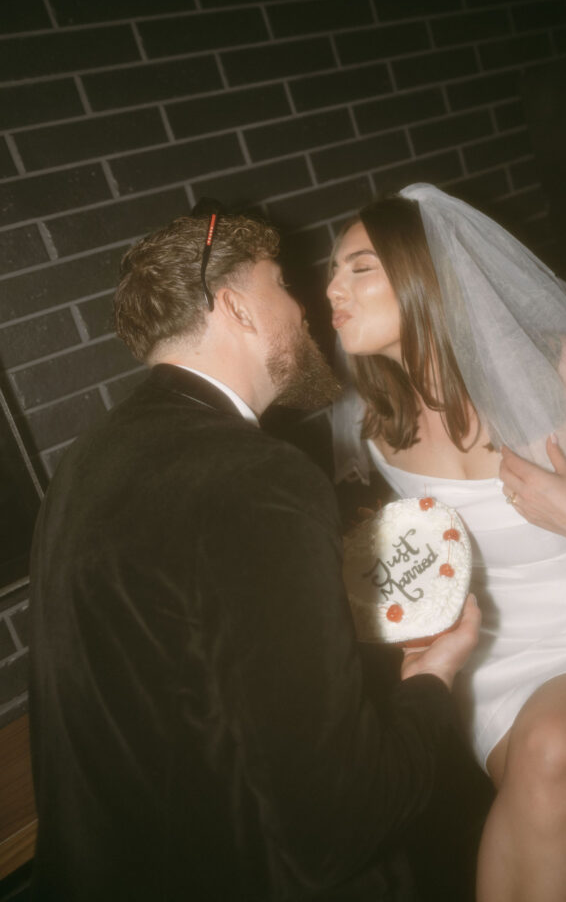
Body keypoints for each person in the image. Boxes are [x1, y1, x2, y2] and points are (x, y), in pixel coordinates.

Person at [28, 204, 481, 902]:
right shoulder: (252, 475)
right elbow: (341, 817)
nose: (304, 309)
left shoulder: (92, 459)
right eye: (283, 284)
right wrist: (434, 674)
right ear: (238, 308)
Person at [326, 183, 566, 902]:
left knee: (553, 751)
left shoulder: (560, 371)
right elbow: (415, 548)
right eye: (331, 272)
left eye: (359, 268)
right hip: (497, 660)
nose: (332, 288)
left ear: (428, 274)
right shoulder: (365, 420)